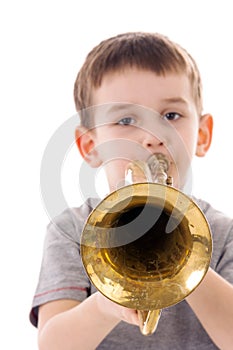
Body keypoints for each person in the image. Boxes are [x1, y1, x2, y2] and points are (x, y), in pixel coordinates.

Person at [30, 32, 233, 350]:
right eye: (125, 120)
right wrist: (104, 305)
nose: (152, 136)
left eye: (171, 116)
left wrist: (183, 263)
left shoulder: (223, 233)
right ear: (90, 146)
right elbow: (52, 344)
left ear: (203, 135)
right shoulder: (71, 230)